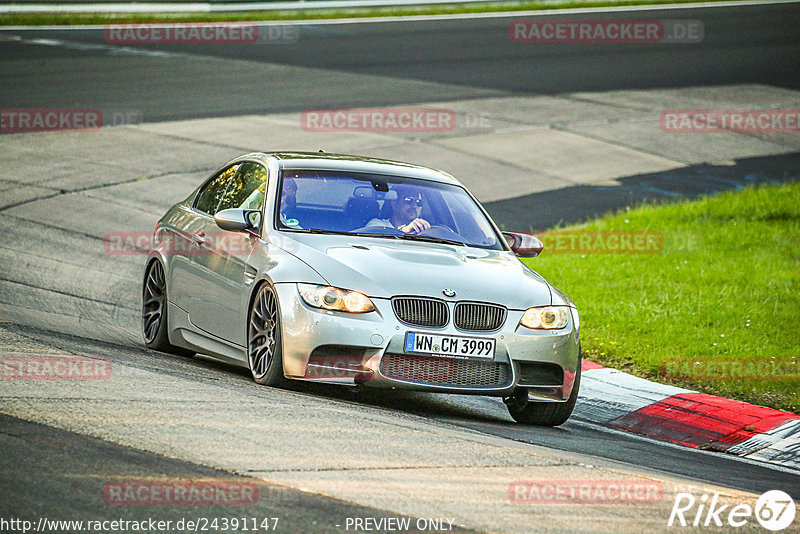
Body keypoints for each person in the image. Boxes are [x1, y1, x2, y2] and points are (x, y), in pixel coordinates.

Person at [365, 184, 430, 234]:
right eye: (408, 200)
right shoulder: (377, 224)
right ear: (394, 203)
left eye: (418, 202)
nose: (414, 205)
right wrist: (403, 230)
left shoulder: (424, 230)